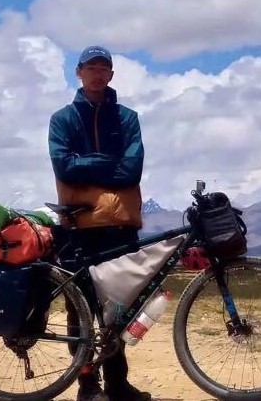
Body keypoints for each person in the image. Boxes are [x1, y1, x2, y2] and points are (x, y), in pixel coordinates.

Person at [48, 45, 151, 401]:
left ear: (111, 75)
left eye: (103, 68)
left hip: (121, 224)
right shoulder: (62, 120)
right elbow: (64, 167)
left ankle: (119, 384)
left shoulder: (127, 118)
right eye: (90, 67)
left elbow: (132, 169)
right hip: (77, 227)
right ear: (78, 72)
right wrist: (110, 164)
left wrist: (86, 165)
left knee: (120, 307)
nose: (96, 73)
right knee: (81, 308)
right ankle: (87, 386)